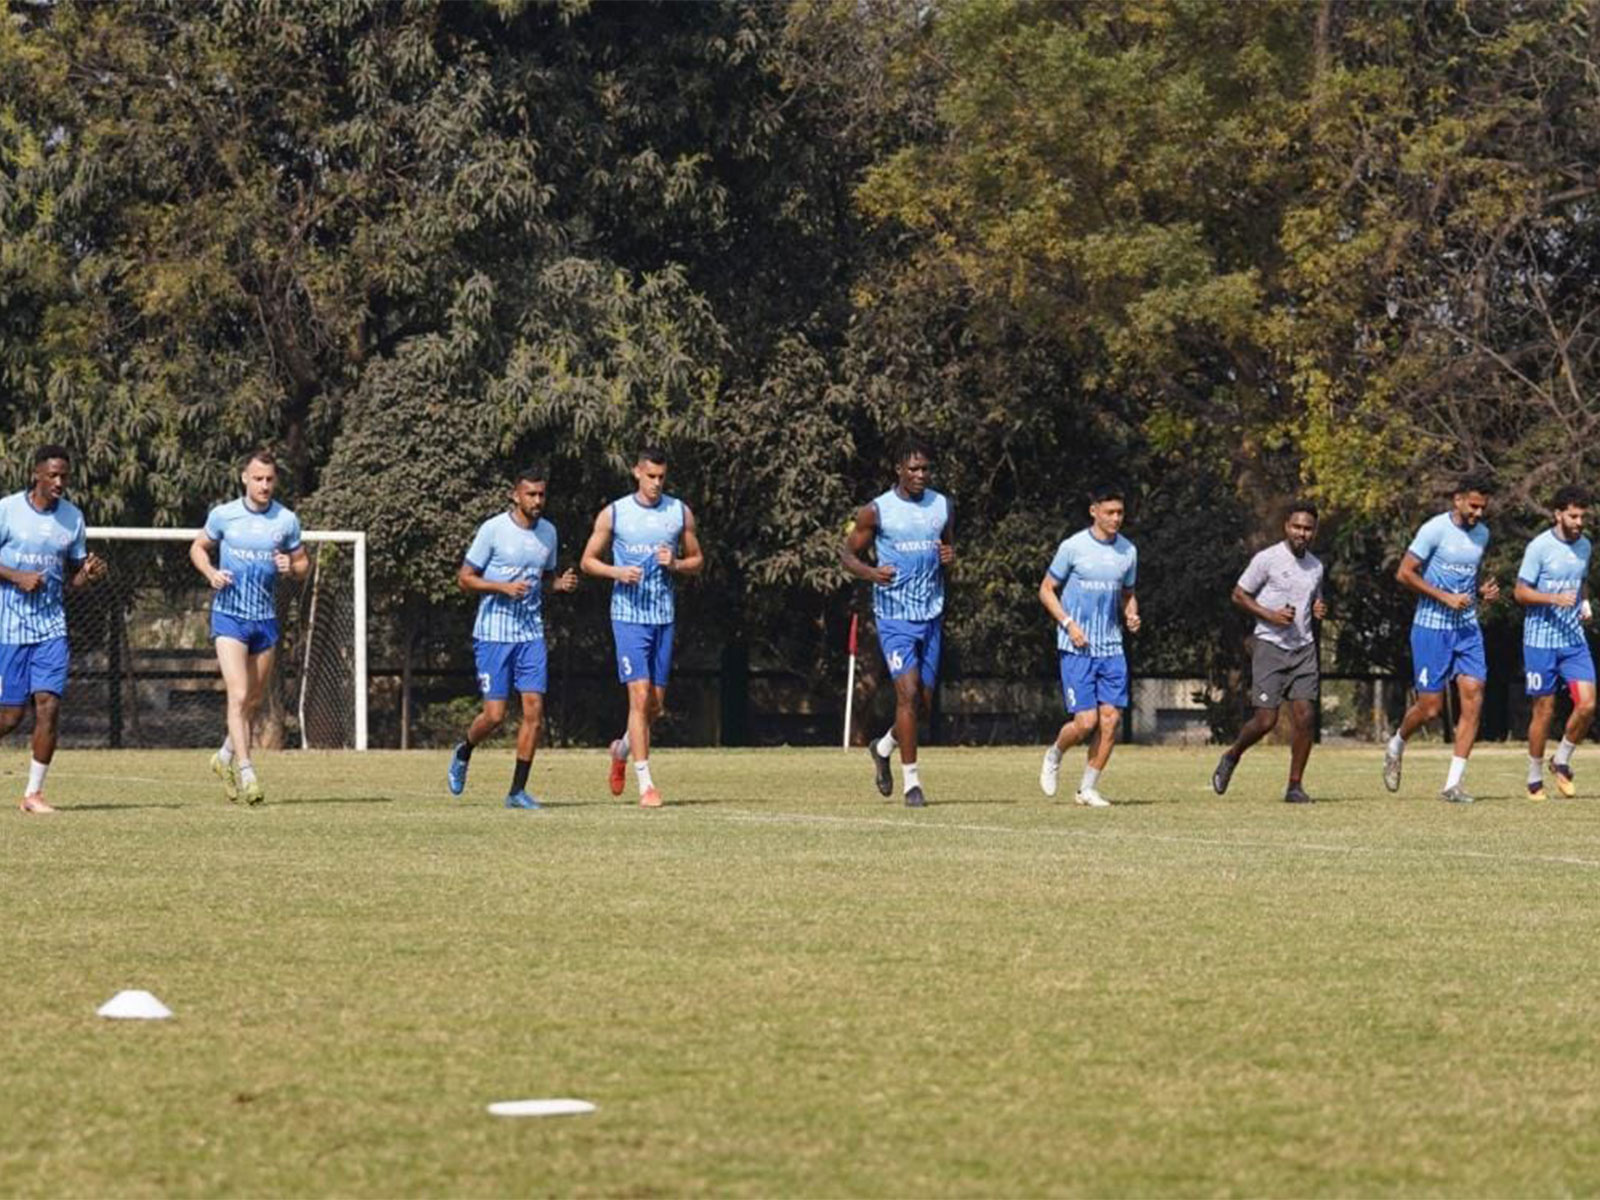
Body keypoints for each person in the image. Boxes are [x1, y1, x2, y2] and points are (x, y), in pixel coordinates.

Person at [447, 466, 578, 809]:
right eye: (531, 494)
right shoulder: (493, 530)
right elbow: (465, 579)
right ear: (515, 495)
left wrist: (558, 585)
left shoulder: (548, 532)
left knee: (534, 711)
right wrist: (501, 587)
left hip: (531, 633)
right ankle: (464, 749)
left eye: (541, 495)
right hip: (493, 634)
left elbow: (544, 578)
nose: (537, 501)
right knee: (494, 716)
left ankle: (516, 791)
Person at [581, 445, 703, 808]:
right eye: (650, 476)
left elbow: (698, 560)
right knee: (638, 695)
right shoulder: (614, 514)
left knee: (655, 706)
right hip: (628, 618)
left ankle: (620, 749)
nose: (656, 483)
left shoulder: (679, 512)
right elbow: (588, 562)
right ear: (636, 472)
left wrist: (677, 564)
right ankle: (646, 784)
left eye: (661, 477)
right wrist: (617, 572)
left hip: (663, 617)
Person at [190, 449, 309, 806]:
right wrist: (211, 573)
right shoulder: (224, 515)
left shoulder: (285, 520)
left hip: (265, 620)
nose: (264, 485)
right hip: (229, 619)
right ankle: (246, 770)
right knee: (238, 695)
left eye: (270, 479)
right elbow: (198, 547)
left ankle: (223, 756)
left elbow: (303, 565)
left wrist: (292, 565)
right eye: (258, 479)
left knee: (254, 699)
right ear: (244, 478)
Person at [841, 436, 954, 808]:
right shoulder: (876, 511)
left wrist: (949, 555)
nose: (920, 475)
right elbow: (848, 554)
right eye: (913, 469)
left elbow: (947, 549)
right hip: (894, 617)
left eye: (925, 469)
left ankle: (884, 746)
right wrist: (871, 573)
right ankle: (912, 784)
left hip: (932, 613)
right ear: (899, 471)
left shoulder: (942, 506)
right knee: (906, 694)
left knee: (921, 703)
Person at [0, 446, 108, 813]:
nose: (60, 482)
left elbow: (73, 579)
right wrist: (16, 576)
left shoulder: (72, 518)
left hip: (51, 628)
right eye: (53, 475)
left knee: (49, 706)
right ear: (37, 474)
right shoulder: (8, 510)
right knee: (11, 717)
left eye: (65, 475)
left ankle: (33, 794)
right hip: (9, 628)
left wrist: (89, 575)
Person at [1383, 473, 1500, 803]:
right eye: (1473, 506)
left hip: (1467, 628)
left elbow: (1466, 581)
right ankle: (1397, 743)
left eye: (1483, 507)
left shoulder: (1482, 535)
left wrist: (1479, 593)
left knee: (1474, 693)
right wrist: (1443, 598)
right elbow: (1404, 573)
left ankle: (1453, 784)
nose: (1478, 513)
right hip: (1431, 628)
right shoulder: (1434, 529)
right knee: (1431, 708)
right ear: (1458, 499)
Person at [1211, 503, 1327, 803]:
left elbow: (1314, 598)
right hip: (1270, 645)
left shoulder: (1316, 566)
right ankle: (1232, 755)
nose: (1302, 533)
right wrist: (1269, 615)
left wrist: (1318, 608)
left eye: (1308, 528)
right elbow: (1239, 594)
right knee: (1266, 720)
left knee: (1305, 716)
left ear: (1314, 531)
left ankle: (1294, 786)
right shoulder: (1267, 559)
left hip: (1303, 648)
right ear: (1286, 526)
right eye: (1297, 526)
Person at [1037, 485, 1139, 807]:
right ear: (1094, 511)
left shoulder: (1128, 551)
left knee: (1110, 720)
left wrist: (1132, 614)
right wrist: (1068, 624)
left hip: (1112, 648)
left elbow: (1127, 594)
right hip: (1076, 647)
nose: (1116, 518)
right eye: (1110, 512)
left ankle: (1087, 789)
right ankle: (1055, 753)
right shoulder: (1073, 547)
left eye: (1120, 512)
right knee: (1085, 723)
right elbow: (1046, 590)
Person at [1514, 485, 1595, 800]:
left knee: (1587, 705)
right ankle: (1534, 778)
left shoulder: (1585, 545)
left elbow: (1581, 580)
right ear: (1558, 514)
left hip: (1573, 640)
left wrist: (1584, 603)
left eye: (1582, 516)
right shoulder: (1539, 547)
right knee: (1544, 711)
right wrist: (1552, 598)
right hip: (1540, 642)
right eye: (1573, 516)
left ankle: (1561, 760)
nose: (1578, 522)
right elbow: (1520, 592)